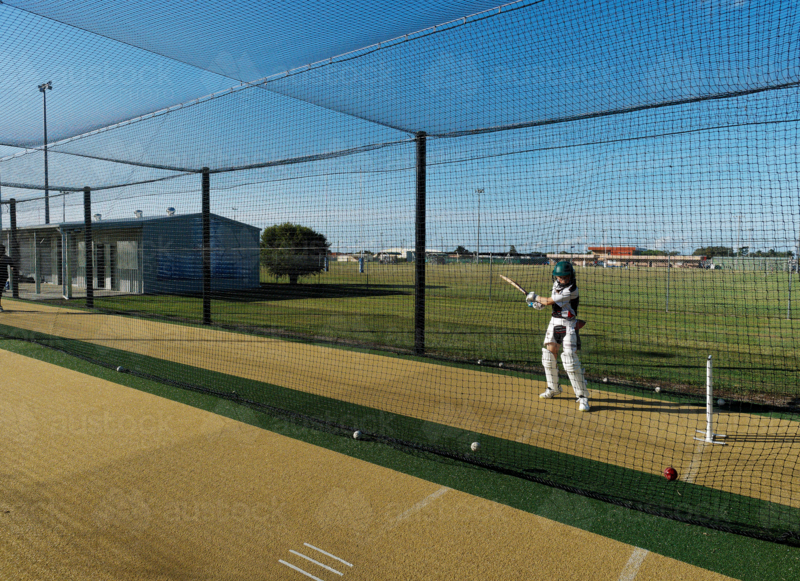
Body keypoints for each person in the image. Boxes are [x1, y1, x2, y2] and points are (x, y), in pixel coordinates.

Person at [526, 260, 590, 412]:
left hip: (568, 324)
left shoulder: (572, 289)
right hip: (554, 323)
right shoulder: (556, 284)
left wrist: (535, 297)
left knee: (569, 359)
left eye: (565, 277)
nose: (562, 280)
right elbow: (552, 303)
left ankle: (582, 397)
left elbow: (549, 300)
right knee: (548, 356)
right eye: (560, 277)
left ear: (571, 276)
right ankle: (553, 388)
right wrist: (537, 304)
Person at [0, 244, 13, 313]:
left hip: (2, 277)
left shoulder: (6, 258)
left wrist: (14, 269)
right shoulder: (6, 258)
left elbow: (12, 265)